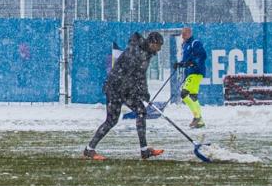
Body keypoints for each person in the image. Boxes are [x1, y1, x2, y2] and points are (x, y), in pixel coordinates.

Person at [83, 31, 165, 161]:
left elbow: (141, 76)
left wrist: (144, 92)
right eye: (158, 45)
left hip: (126, 90)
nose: (159, 49)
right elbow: (130, 75)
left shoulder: (147, 53)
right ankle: (89, 149)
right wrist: (137, 92)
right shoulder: (136, 52)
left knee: (141, 112)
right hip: (115, 89)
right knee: (111, 120)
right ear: (151, 43)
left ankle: (144, 150)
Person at [175, 26, 207, 128]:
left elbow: (202, 55)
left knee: (184, 94)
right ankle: (200, 121)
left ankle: (197, 117)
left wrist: (193, 63)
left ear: (189, 33)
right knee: (193, 96)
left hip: (196, 72)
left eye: (184, 33)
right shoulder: (185, 45)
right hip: (190, 73)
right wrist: (180, 64)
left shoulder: (195, 43)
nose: (182, 35)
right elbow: (187, 60)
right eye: (182, 33)